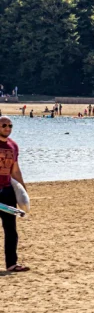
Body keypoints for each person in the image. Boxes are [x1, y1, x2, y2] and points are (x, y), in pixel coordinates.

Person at [0, 116, 29, 272]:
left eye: (10, 125)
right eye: (4, 125)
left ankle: (11, 264)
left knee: (11, 229)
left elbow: (15, 170)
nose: (7, 128)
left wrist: (23, 191)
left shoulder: (13, 146)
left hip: (7, 191)